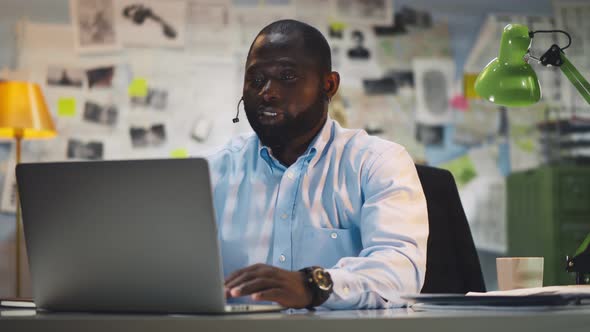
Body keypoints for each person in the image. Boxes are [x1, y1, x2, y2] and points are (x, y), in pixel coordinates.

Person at [207, 19, 428, 310]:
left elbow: (400, 271)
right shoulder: (212, 172)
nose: (267, 92)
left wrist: (314, 286)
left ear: (329, 85)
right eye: (257, 79)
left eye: (287, 76)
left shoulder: (378, 163)